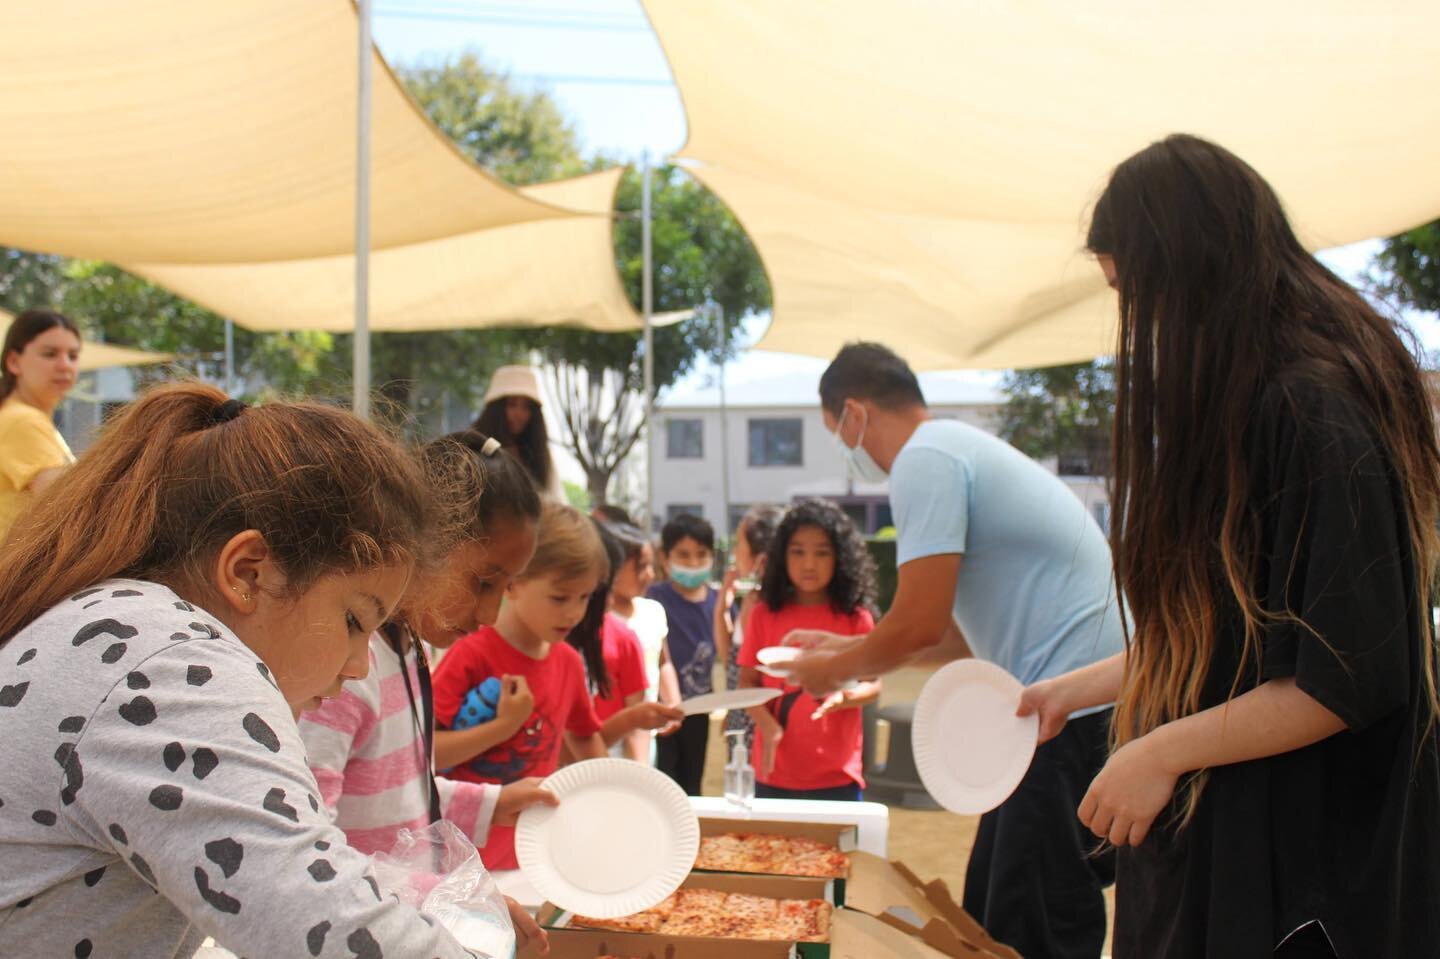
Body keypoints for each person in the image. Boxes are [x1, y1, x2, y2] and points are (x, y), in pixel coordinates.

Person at [1019, 134, 1440, 959]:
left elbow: (1346, 674)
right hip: (1233, 848)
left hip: (1309, 877)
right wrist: (1072, 690)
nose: (1138, 324)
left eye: (1133, 290)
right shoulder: (1256, 401)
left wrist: (1160, 748)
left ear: (1188, 269)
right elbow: (1226, 632)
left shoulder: (1312, 405)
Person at [0, 383, 496, 958]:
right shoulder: (172, 664)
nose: (359, 665)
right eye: (355, 620)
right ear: (248, 573)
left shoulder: (119, 627)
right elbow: (336, 932)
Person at [784, 342, 1123, 959]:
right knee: (994, 917)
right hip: (1076, 710)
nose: (843, 447)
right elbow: (951, 635)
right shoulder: (956, 449)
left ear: (854, 414)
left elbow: (917, 624)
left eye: (835, 431)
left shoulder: (925, 459)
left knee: (1028, 926)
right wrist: (851, 647)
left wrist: (829, 670)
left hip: (1066, 714)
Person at [297, 428, 557, 944]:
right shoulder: (346, 668)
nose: (490, 613)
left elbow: (397, 796)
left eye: (507, 588)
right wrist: (448, 897)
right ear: (425, 542)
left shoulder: (408, 649)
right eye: (484, 581)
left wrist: (494, 803)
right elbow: (307, 851)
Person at [431, 502, 609, 870]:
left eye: (585, 597)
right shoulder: (469, 653)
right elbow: (425, 753)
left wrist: (614, 798)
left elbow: (586, 739)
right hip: (464, 861)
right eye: (560, 597)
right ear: (512, 583)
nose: (575, 612)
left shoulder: (568, 662)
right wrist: (503, 728)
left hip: (537, 854)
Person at [738, 499, 880, 800]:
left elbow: (874, 685)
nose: (809, 564)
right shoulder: (764, 614)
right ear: (782, 556)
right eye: (798, 552)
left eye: (822, 552)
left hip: (838, 774)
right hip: (773, 772)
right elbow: (746, 683)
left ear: (840, 557)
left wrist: (845, 697)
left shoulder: (856, 619)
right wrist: (768, 725)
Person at [564, 519, 683, 762]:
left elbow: (582, 746)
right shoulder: (556, 650)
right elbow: (568, 753)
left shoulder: (625, 634)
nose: (608, 601)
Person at [646, 513, 718, 795]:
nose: (693, 563)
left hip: (699, 708)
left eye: (701, 555)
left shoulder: (718, 600)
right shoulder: (654, 598)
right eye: (683, 555)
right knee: (661, 781)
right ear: (665, 558)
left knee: (692, 783)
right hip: (660, 707)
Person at [0, 308, 80, 540]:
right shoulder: (23, 420)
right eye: (50, 354)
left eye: (73, 356)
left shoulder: (22, 417)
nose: (65, 365)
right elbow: (69, 504)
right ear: (14, 362)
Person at [716, 504, 784, 751]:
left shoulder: (758, 604)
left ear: (759, 556)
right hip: (745, 711)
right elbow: (732, 655)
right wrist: (722, 607)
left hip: (755, 718)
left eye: (739, 545)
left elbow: (739, 665)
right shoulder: (755, 599)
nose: (735, 551)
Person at [473, 365, 562, 500]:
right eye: (512, 404)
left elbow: (555, 500)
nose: (519, 414)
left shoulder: (539, 455)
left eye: (526, 407)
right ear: (496, 408)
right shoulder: (474, 448)